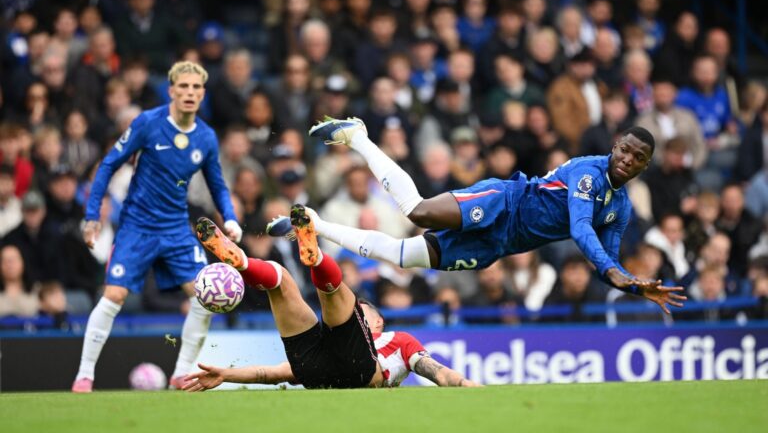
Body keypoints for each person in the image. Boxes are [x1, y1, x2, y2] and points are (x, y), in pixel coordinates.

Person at [269, 117, 686, 315]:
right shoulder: (588, 173)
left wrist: (633, 285)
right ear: (615, 147)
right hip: (505, 202)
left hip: (500, 244)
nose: (628, 159)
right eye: (625, 150)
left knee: (401, 255)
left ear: (645, 165)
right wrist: (615, 272)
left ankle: (315, 224)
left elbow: (607, 263)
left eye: (638, 158)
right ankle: (359, 137)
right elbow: (579, 227)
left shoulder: (620, 208)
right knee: (419, 211)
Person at [71, 61, 242, 393]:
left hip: (176, 229)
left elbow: (218, 185)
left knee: (204, 297)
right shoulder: (148, 123)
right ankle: (84, 375)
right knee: (114, 295)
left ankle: (181, 373)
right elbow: (108, 164)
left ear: (202, 94)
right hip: (137, 227)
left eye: (196, 87)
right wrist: (92, 215)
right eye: (184, 86)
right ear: (171, 91)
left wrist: (230, 217)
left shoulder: (206, 137)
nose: (190, 92)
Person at [184, 212, 478, 390]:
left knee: (333, 298)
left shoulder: (398, 339)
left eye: (364, 311)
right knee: (281, 280)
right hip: (331, 369)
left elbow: (437, 372)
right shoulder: (391, 341)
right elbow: (273, 373)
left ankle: (310, 260)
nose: (360, 311)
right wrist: (226, 375)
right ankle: (246, 262)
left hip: (347, 366)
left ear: (378, 321)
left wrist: (464, 383)